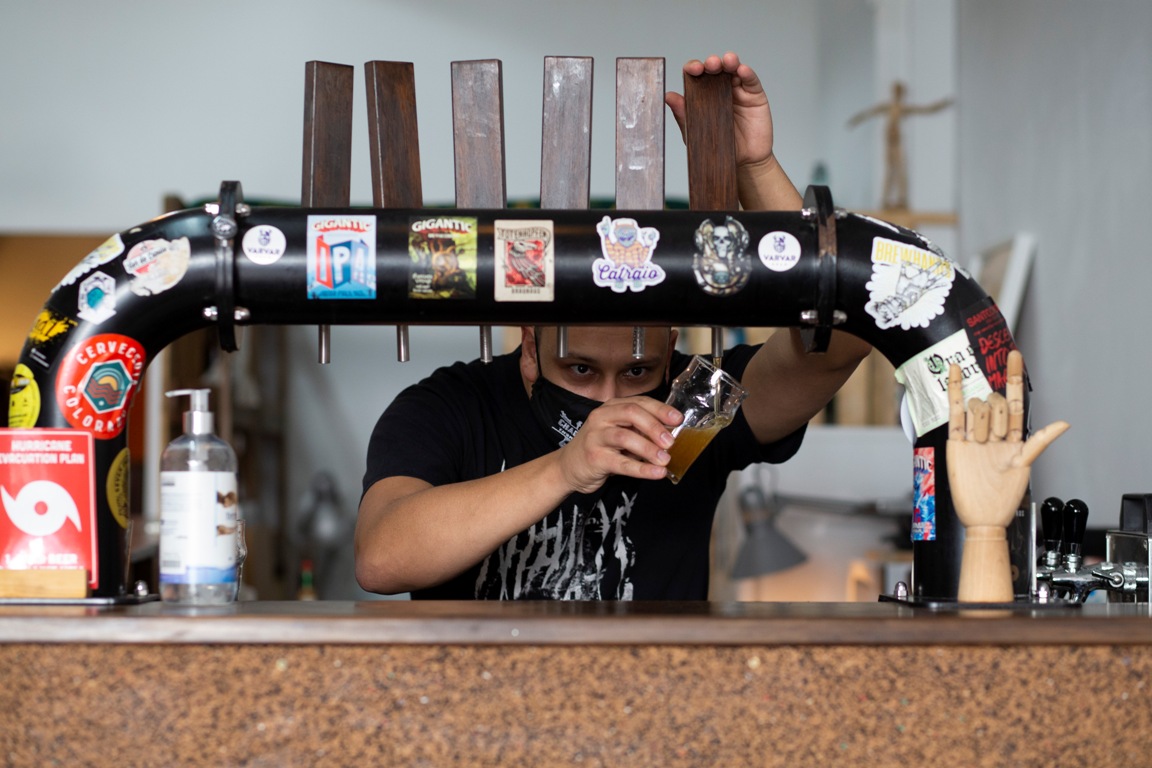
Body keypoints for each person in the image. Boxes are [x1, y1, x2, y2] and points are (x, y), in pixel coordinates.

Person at [355, 52, 872, 599]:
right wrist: (565, 469)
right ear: (530, 345)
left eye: (636, 371)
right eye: (579, 369)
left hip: (654, 686)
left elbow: (839, 340)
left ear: (671, 349)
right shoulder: (454, 408)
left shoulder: (691, 412)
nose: (607, 400)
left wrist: (753, 168)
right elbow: (382, 559)